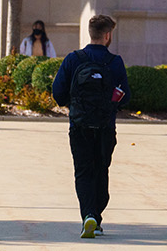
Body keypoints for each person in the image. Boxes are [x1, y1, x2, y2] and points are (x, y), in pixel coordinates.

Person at [51, 14, 130, 239]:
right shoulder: (115, 62)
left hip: (79, 125)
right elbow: (125, 96)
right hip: (105, 126)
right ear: (107, 35)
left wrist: (74, 103)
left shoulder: (73, 59)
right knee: (101, 170)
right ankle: (96, 217)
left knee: (83, 171)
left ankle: (88, 215)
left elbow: (58, 93)